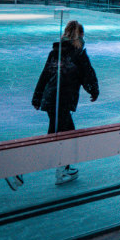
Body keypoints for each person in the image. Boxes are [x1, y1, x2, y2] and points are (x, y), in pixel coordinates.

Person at [32, 20, 99, 185]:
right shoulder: (78, 53)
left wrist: (37, 97)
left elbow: (45, 75)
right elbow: (87, 74)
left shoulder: (56, 51)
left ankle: (63, 168)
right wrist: (94, 90)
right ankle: (28, 168)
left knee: (62, 133)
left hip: (51, 99)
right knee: (62, 135)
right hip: (63, 100)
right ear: (81, 34)